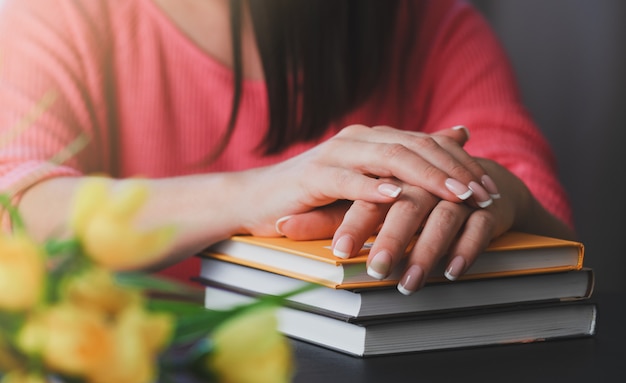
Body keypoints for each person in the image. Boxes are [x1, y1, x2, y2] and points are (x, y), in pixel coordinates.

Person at [0, 0, 575, 295]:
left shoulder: (431, 25)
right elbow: (16, 214)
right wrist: (254, 193)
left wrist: (466, 192)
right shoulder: (62, 15)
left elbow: (548, 219)